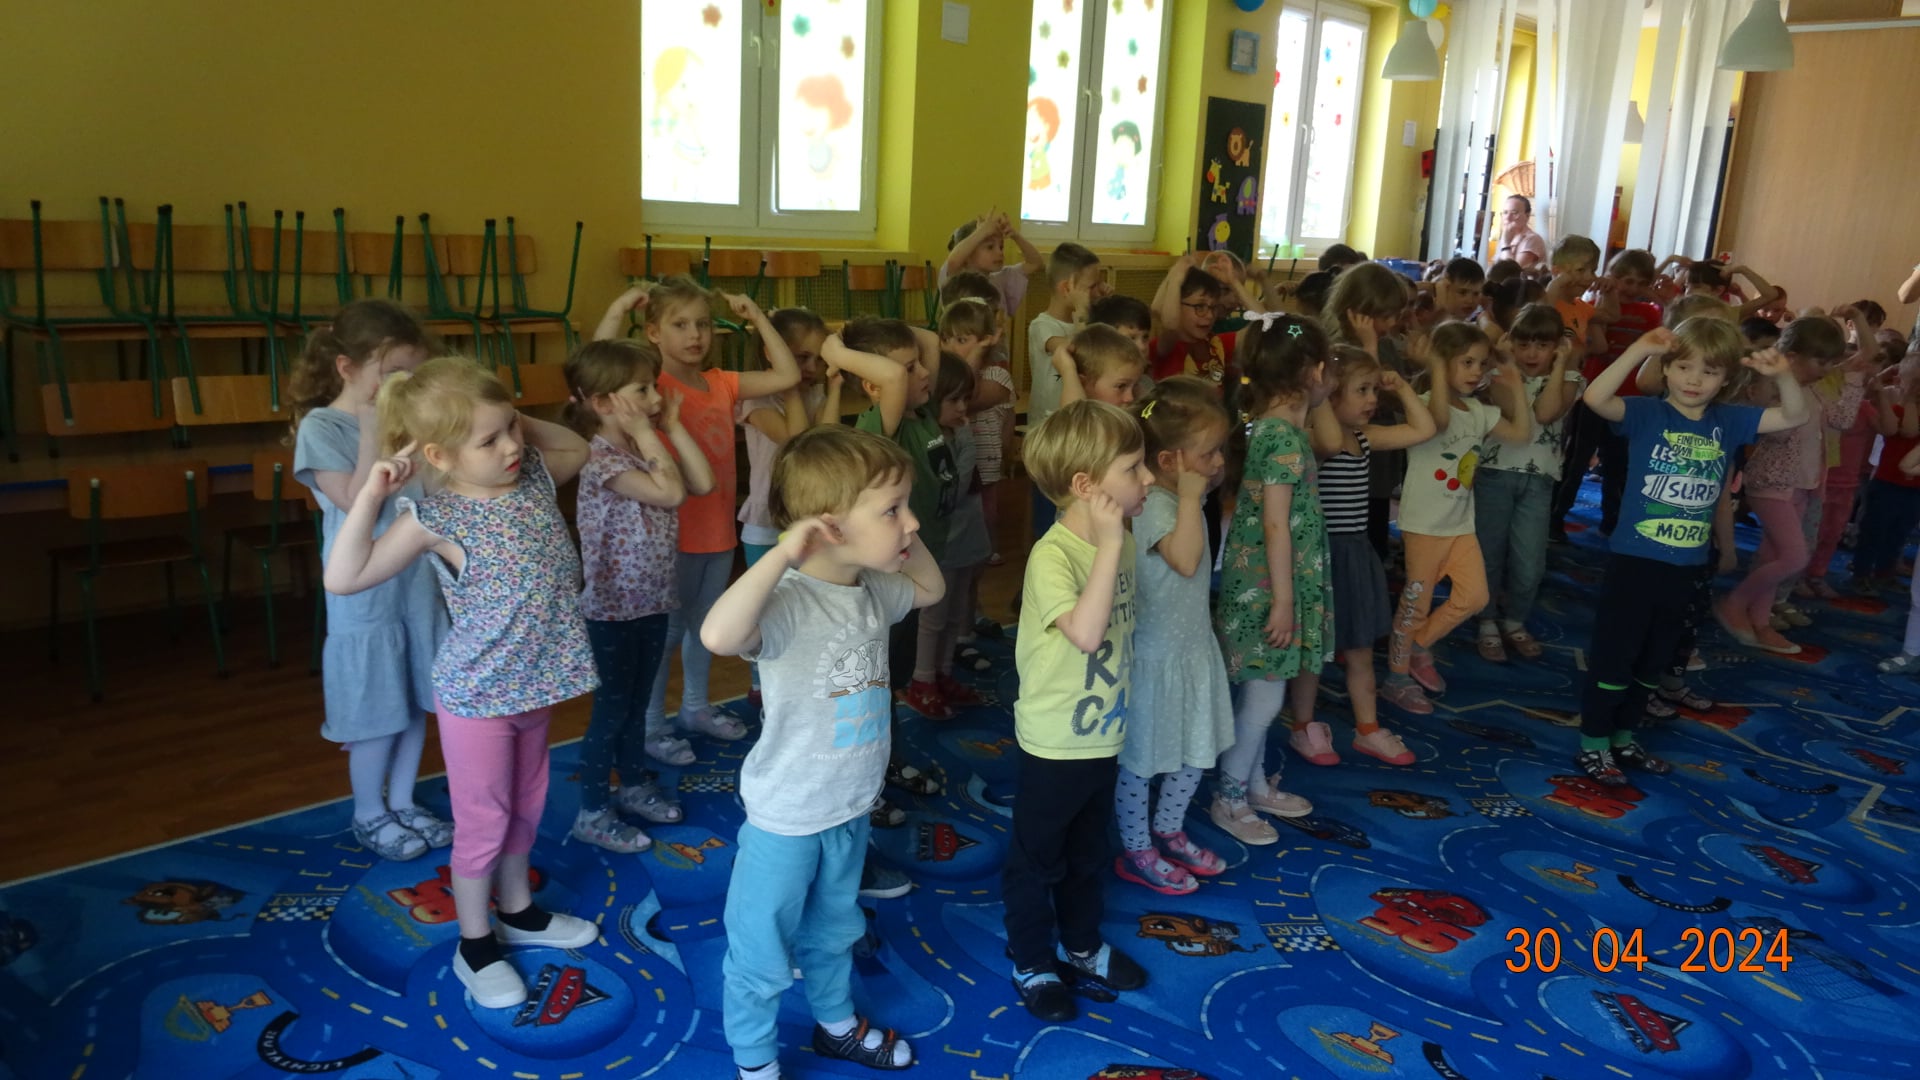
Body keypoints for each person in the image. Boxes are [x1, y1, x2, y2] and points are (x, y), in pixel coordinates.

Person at [322, 357, 599, 1009]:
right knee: (485, 820)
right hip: (478, 698)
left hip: (536, 684)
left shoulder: (533, 475)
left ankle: (519, 911)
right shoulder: (435, 517)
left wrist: (506, 417)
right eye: (488, 440)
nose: (510, 446)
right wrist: (372, 495)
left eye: (511, 430)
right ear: (439, 456)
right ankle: (475, 944)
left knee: (527, 806)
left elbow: (579, 446)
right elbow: (343, 576)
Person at [700, 426, 945, 1079]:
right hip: (787, 818)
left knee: (836, 929)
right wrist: (784, 553)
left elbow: (930, 589)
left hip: (849, 806)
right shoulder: (786, 603)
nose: (912, 521)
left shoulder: (872, 591)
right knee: (761, 950)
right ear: (829, 527)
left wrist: (900, 535)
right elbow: (719, 634)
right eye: (892, 509)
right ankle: (755, 1063)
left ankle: (835, 1025)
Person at [1576, 320, 1805, 783]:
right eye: (1683, 367)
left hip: (1685, 566)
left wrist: (1783, 375)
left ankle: (1624, 736)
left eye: (1708, 372)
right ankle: (1594, 742)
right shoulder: (1647, 413)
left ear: (1726, 378)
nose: (1694, 380)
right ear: (1666, 368)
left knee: (1654, 658)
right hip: (1635, 562)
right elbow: (1595, 398)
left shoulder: (1729, 421)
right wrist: (1637, 348)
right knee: (1616, 654)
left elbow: (1792, 416)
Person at [1003, 400, 1153, 1023]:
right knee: (1037, 859)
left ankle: (1082, 945)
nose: (1149, 478)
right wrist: (1112, 543)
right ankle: (1031, 959)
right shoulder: (1053, 557)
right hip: (1053, 743)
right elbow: (1088, 634)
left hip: (1104, 734)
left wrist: (1116, 543)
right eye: (1134, 468)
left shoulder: (1122, 544)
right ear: (1087, 486)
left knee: (1090, 852)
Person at [290, 299, 451, 862]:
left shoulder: (407, 423)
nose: (404, 385)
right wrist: (372, 428)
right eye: (394, 373)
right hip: (364, 597)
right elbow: (357, 499)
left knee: (414, 702)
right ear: (347, 368)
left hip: (416, 589)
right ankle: (368, 812)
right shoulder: (322, 427)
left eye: (414, 374)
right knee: (375, 713)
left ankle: (402, 801)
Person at [621, 278, 802, 765]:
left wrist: (757, 317)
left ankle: (695, 708)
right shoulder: (653, 388)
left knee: (704, 626)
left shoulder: (722, 382)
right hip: (674, 535)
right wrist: (619, 308)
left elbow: (786, 375)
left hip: (718, 532)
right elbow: (597, 369)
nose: (695, 335)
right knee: (666, 635)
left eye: (702, 324)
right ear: (653, 332)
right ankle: (651, 725)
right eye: (680, 325)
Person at [564, 339, 715, 853]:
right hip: (612, 611)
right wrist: (650, 432)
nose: (656, 397)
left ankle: (631, 784)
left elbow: (702, 482)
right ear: (604, 403)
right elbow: (671, 493)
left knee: (633, 706)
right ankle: (591, 810)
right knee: (611, 712)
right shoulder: (598, 457)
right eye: (643, 390)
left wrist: (670, 427)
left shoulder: (640, 447)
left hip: (653, 600)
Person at [1112, 378, 1235, 894]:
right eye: (1208, 453)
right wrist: (1189, 496)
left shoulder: (1184, 500)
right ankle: (1137, 847)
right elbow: (1185, 561)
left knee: (1193, 748)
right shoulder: (1154, 508)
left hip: (1191, 651)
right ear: (1169, 461)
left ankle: (1169, 828)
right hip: (1156, 659)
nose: (1219, 462)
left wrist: (1194, 494)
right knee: (1142, 761)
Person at [1211, 314, 1329, 843]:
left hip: (1269, 584)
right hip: (1268, 591)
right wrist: (1283, 601)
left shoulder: (1274, 427)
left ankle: (1253, 784)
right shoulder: (1281, 436)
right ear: (1314, 372)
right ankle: (1229, 797)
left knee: (1263, 693)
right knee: (1263, 700)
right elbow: (1276, 523)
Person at [1380, 322, 1532, 713]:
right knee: (1415, 604)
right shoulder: (1425, 403)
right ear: (1442, 362)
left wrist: (1515, 382)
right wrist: (1433, 364)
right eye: (1466, 362)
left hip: (1460, 524)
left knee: (1475, 596)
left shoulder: (1479, 411)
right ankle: (1396, 678)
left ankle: (1418, 646)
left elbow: (1520, 434)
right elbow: (1440, 422)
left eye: (1481, 363)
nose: (1476, 371)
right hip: (1424, 526)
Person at [1299, 345, 1434, 756]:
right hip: (1322, 555)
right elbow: (1326, 438)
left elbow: (1423, 429)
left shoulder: (1364, 437)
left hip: (1355, 554)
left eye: (1375, 390)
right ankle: (1303, 726)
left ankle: (1367, 728)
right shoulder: (1316, 440)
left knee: (1359, 649)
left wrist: (1402, 388)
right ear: (1329, 393)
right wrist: (1320, 391)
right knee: (1313, 651)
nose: (1373, 399)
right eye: (1362, 390)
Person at [1716, 316, 1862, 653]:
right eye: (1821, 362)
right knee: (1795, 557)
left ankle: (1761, 622)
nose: (1827, 370)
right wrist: (1783, 385)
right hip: (1772, 484)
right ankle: (1734, 603)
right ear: (1793, 357)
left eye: (1831, 362)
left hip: (1802, 485)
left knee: (1773, 557)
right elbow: (1779, 433)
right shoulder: (1772, 388)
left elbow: (1842, 420)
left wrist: (1855, 379)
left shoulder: (1814, 390)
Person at [738, 308, 838, 709]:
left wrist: (831, 389)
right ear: (773, 355)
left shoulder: (815, 394)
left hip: (804, 524)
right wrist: (791, 387)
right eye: (801, 358)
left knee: (802, 610)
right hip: (765, 525)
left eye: (818, 358)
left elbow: (825, 440)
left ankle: (797, 685)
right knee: (767, 613)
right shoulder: (755, 398)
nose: (811, 368)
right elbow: (796, 440)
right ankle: (762, 687)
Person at [1473, 304, 1582, 662]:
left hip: (1539, 481)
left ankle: (1515, 619)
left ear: (1557, 346)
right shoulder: (1497, 374)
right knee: (1488, 553)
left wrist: (1561, 364)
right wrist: (1505, 363)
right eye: (1523, 344)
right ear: (1511, 344)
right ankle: (1486, 619)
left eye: (1542, 345)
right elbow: (1511, 408)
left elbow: (1546, 413)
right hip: (1494, 474)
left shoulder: (1569, 378)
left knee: (1530, 561)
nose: (1532, 353)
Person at [904, 353, 993, 719]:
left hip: (966, 538)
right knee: (934, 617)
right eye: (953, 400)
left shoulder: (958, 433)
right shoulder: (929, 440)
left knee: (955, 613)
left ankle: (943, 673)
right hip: (941, 544)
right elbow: (955, 485)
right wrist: (966, 440)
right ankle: (922, 680)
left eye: (965, 399)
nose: (962, 408)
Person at [1029, 243, 1111, 537]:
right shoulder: (1042, 326)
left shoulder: (1086, 323)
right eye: (1092, 286)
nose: (1098, 290)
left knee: (1073, 504)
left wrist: (1103, 307)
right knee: (1048, 507)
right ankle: (1043, 555)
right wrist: (1085, 312)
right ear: (1067, 289)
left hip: (1076, 432)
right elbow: (1078, 351)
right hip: (1050, 436)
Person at [941, 207, 1045, 317]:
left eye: (1001, 247)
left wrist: (1015, 236)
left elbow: (1035, 263)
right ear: (968, 253)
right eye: (990, 247)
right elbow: (953, 261)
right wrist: (981, 232)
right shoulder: (957, 280)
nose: (999, 252)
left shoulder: (1001, 277)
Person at [1053, 324, 1148, 408]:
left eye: (1136, 384)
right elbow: (1074, 417)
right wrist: (1068, 371)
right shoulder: (1088, 420)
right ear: (1081, 384)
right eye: (1121, 386)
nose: (1130, 398)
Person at [1494, 195, 1548, 271]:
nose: (1508, 218)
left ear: (1527, 216)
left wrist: (1506, 244)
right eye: (1505, 212)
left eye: (1514, 213)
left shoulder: (1533, 239)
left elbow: (1512, 272)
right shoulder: (1506, 236)